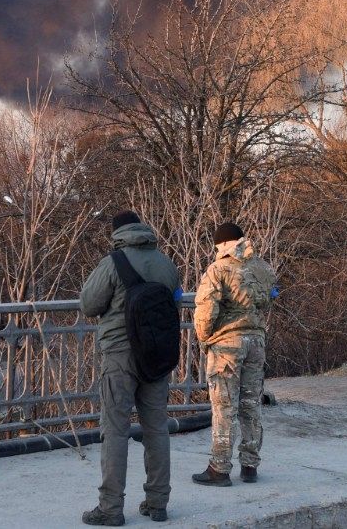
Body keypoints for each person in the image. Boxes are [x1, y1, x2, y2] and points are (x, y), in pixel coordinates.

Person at [78, 211, 181, 526]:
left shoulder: (113, 263)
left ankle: (110, 509)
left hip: (120, 356)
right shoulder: (166, 264)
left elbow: (88, 304)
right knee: (157, 428)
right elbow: (173, 305)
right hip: (157, 355)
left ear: (117, 234)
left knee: (116, 430)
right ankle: (157, 503)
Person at [191, 222, 277, 486]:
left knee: (224, 407)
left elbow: (206, 309)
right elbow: (268, 299)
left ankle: (219, 468)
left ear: (222, 245)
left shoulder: (218, 269)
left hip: (227, 346)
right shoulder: (262, 267)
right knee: (251, 405)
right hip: (256, 341)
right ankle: (250, 466)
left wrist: (205, 337)